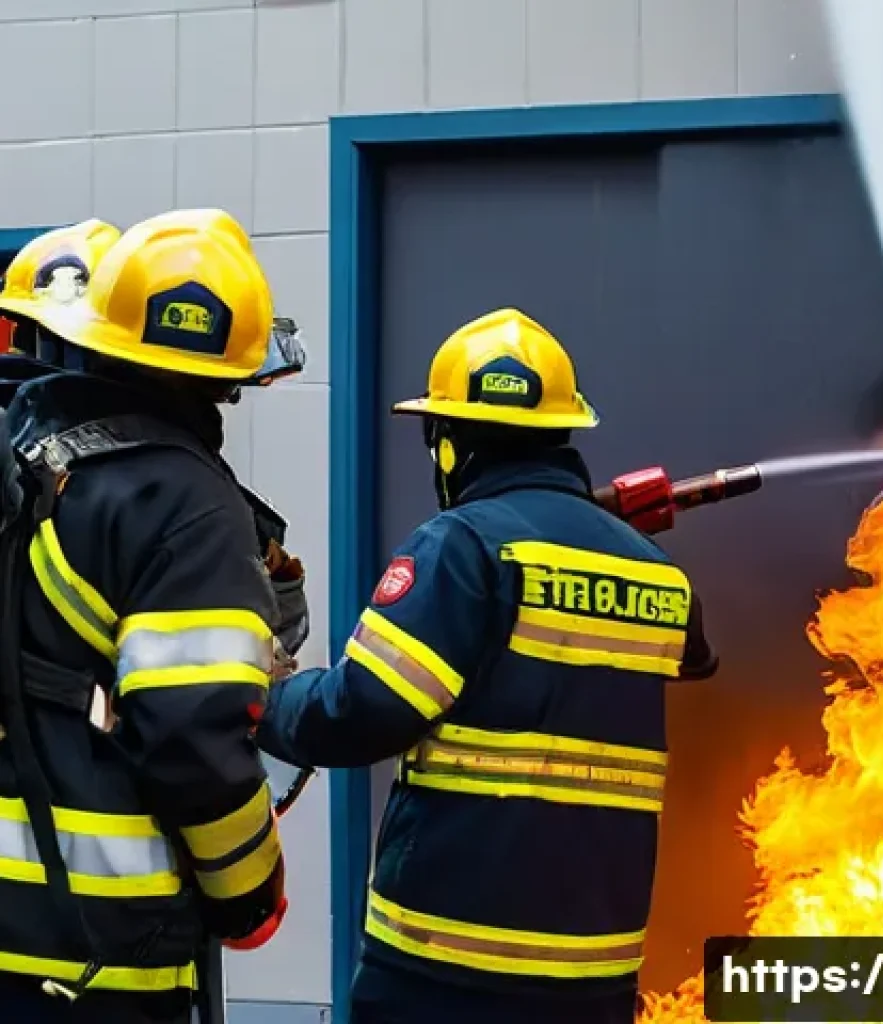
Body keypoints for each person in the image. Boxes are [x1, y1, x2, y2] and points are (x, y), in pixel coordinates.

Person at [257, 308, 719, 1024]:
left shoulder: (461, 547)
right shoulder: (657, 573)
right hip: (595, 974)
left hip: (448, 970)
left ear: (451, 445)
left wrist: (268, 697)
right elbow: (694, 656)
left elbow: (359, 712)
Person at [0, 211, 306, 1023]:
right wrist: (249, 890)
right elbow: (191, 735)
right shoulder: (186, 501)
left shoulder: (28, 458)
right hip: (93, 952)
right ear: (232, 379)